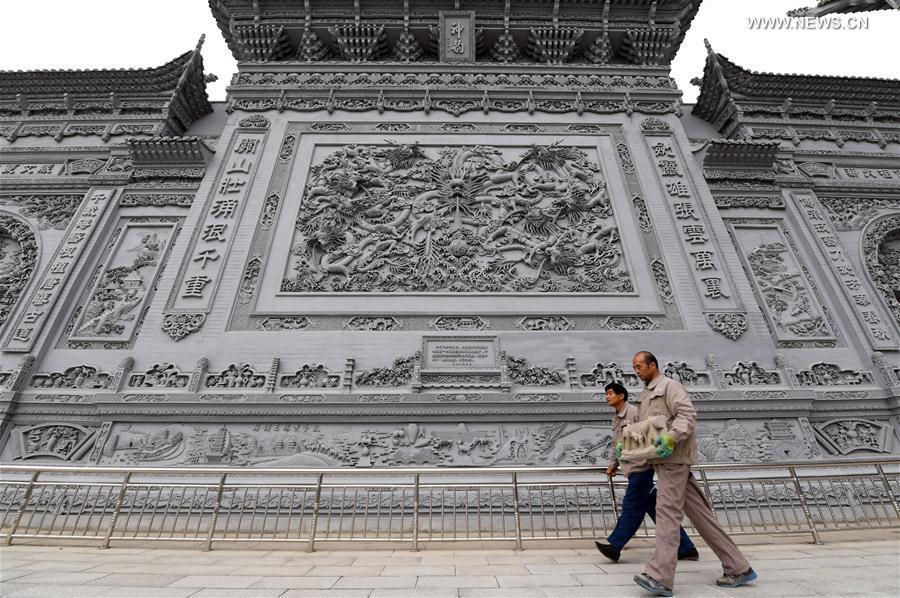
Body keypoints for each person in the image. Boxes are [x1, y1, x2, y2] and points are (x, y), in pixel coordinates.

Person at [630, 351, 757, 597]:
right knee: (702, 518)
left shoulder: (670, 386)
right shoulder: (645, 395)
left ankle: (660, 576)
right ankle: (738, 567)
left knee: (666, 514)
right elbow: (647, 431)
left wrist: (672, 436)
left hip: (674, 461)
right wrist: (627, 448)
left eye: (639, 366)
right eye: (634, 367)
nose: (636, 371)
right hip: (662, 462)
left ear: (652, 365)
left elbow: (687, 415)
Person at [595, 381, 699, 563]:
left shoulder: (635, 412)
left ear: (621, 395)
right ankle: (686, 548)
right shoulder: (616, 418)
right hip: (631, 468)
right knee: (655, 509)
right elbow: (616, 442)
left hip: (641, 467)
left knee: (632, 507)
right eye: (606, 394)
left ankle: (615, 545)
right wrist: (613, 462)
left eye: (610, 393)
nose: (607, 397)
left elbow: (650, 432)